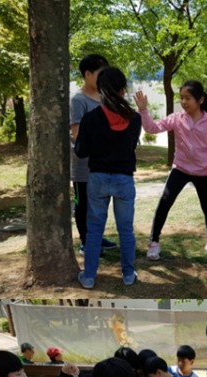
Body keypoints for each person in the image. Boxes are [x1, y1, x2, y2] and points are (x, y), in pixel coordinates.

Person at [135, 80, 207, 260]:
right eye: (181, 98)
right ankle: (154, 242)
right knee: (165, 202)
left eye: (188, 98)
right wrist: (143, 110)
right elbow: (152, 128)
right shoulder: (176, 118)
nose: (183, 102)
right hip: (180, 169)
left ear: (200, 100)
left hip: (203, 172)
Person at [75, 66, 142, 289]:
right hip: (124, 179)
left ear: (101, 90)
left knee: (94, 230)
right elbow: (131, 146)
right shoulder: (134, 118)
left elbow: (81, 151)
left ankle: (89, 277)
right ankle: (128, 274)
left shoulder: (90, 118)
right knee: (126, 230)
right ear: (123, 90)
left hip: (98, 178)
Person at [70, 53, 116, 256]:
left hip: (104, 163)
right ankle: (85, 241)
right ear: (87, 74)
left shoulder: (105, 97)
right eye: (100, 74)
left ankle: (96, 237)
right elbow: (77, 133)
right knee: (84, 205)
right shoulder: (78, 100)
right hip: (84, 165)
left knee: (101, 204)